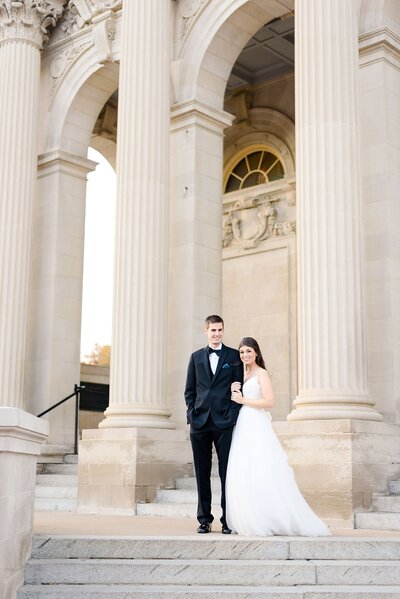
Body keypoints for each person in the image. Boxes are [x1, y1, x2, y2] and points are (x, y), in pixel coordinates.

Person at [226, 337, 331, 537]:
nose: (245, 355)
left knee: (262, 467)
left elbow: (269, 401)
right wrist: (235, 393)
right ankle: (251, 515)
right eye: (241, 352)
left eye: (248, 351)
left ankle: (269, 517)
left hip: (256, 423)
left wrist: (243, 399)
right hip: (243, 423)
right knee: (245, 468)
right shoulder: (243, 374)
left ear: (256, 352)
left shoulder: (262, 373)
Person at [184, 315, 244, 534]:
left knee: (227, 472)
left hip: (224, 422)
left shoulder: (233, 356)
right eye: (213, 330)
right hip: (199, 422)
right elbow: (189, 390)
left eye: (220, 330)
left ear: (223, 331)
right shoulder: (196, 357)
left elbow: (239, 389)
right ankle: (204, 519)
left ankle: (228, 520)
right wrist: (191, 413)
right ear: (206, 331)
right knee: (202, 472)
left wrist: (233, 414)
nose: (217, 334)